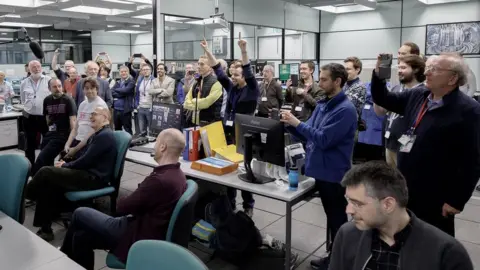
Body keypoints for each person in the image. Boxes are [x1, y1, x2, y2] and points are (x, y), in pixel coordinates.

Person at [371, 53, 480, 236]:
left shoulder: (468, 110)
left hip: (436, 193)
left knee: (433, 240)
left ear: (452, 78)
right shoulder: (419, 94)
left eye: (434, 69)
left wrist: (456, 200)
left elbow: (473, 161)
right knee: (406, 234)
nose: (427, 73)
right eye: (427, 68)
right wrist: (381, 71)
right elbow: (384, 99)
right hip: (407, 185)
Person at [60, 128, 187, 270]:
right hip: (144, 227)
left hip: (135, 233)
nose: (155, 146)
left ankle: (60, 256)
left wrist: (136, 193)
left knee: (80, 213)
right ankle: (66, 259)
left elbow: (122, 207)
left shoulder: (160, 180)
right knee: (80, 236)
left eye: (157, 143)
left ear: (163, 147)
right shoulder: (178, 175)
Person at [281, 63, 357, 270]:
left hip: (332, 173)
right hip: (318, 169)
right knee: (332, 217)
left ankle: (341, 260)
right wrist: (289, 125)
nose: (320, 83)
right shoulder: (324, 104)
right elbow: (309, 135)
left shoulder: (345, 110)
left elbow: (323, 140)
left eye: (324, 79)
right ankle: (336, 255)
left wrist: (297, 124)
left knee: (337, 220)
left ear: (338, 81)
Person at [330, 161, 473, 270]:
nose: (348, 210)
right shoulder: (347, 234)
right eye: (348, 201)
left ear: (388, 204)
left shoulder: (447, 253)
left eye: (357, 203)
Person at [26, 107, 117, 241]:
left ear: (105, 117)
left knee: (46, 172)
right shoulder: (98, 134)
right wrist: (67, 160)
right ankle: (46, 230)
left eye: (94, 114)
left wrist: (65, 165)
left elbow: (86, 161)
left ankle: (25, 195)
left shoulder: (105, 136)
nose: (91, 117)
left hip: (93, 178)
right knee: (48, 183)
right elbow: (85, 157)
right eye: (90, 114)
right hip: (86, 174)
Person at [201, 35, 259, 216]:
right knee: (230, 169)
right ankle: (231, 203)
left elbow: (249, 72)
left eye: (236, 75)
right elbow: (218, 70)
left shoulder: (252, 89)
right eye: (232, 74)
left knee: (245, 169)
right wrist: (208, 51)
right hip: (229, 134)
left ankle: (248, 205)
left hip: (245, 135)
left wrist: (243, 51)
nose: (232, 77)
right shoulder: (231, 87)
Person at [374, 54, 425, 167]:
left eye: (403, 68)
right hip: (390, 144)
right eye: (399, 68)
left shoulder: (422, 93)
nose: (399, 71)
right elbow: (381, 110)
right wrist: (382, 68)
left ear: (416, 69)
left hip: (406, 147)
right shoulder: (396, 89)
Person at [32, 79, 76, 176]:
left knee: (41, 159)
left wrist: (71, 141)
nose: (58, 89)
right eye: (55, 87)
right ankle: (48, 179)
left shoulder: (68, 100)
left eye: (59, 86)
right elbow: (47, 118)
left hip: (63, 135)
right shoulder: (47, 100)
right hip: (51, 133)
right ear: (49, 88)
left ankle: (34, 181)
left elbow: (73, 122)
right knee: (45, 156)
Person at [64, 77, 109, 159]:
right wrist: (67, 144)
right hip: (77, 140)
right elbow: (75, 129)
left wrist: (75, 149)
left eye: (92, 88)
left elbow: (93, 132)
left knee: (65, 164)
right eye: (86, 88)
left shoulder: (100, 105)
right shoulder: (82, 104)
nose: (89, 91)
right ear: (83, 90)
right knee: (61, 160)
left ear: (97, 90)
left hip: (88, 143)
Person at [20, 60, 51, 168]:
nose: (36, 68)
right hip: (29, 117)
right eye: (33, 67)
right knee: (30, 144)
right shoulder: (24, 82)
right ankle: (29, 168)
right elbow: (23, 100)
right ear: (29, 69)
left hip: (45, 117)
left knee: (47, 143)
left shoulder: (48, 80)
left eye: (38, 66)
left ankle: (46, 167)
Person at [183, 55, 223, 126]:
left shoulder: (217, 83)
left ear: (210, 67)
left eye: (202, 64)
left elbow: (206, 103)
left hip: (211, 124)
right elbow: (186, 103)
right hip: (194, 123)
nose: (198, 66)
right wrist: (197, 106)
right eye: (198, 64)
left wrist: (193, 101)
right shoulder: (197, 82)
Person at [111, 66, 135, 135]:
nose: (123, 73)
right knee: (117, 129)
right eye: (122, 72)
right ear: (119, 73)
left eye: (125, 71)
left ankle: (129, 144)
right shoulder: (118, 82)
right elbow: (111, 91)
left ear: (128, 72)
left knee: (127, 129)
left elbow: (126, 90)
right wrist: (121, 93)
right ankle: (119, 143)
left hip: (125, 110)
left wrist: (117, 91)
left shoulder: (131, 82)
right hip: (116, 110)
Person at [132, 63, 155, 135]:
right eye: (143, 70)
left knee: (151, 130)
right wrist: (137, 105)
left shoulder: (154, 81)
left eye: (147, 69)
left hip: (150, 109)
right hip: (141, 108)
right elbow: (137, 94)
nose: (145, 71)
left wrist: (152, 107)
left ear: (151, 71)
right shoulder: (140, 81)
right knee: (142, 130)